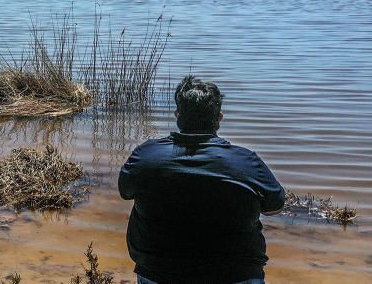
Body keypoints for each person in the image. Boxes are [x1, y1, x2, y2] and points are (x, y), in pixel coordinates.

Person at [118, 75, 285, 284]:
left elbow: (125, 192)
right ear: (220, 118)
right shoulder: (247, 162)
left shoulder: (146, 156)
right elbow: (275, 206)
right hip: (236, 275)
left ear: (178, 115)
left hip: (159, 274)